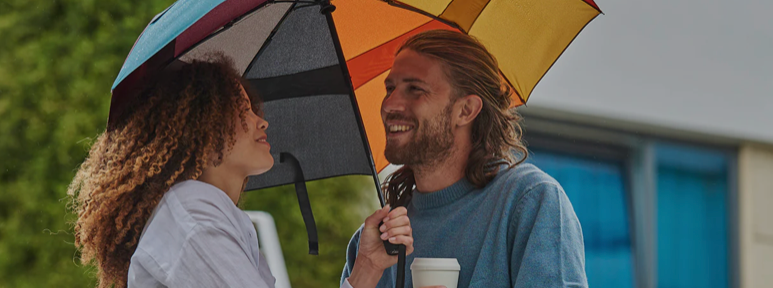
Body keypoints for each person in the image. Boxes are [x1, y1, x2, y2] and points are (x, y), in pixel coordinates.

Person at [68, 56, 415, 288]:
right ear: (199, 127)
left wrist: (367, 266)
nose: (261, 120)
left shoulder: (209, 217)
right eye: (241, 109)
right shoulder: (193, 218)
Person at [341, 30, 588, 288]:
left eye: (415, 89)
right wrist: (365, 272)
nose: (390, 104)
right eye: (390, 88)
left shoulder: (528, 202)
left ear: (466, 110)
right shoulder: (374, 243)